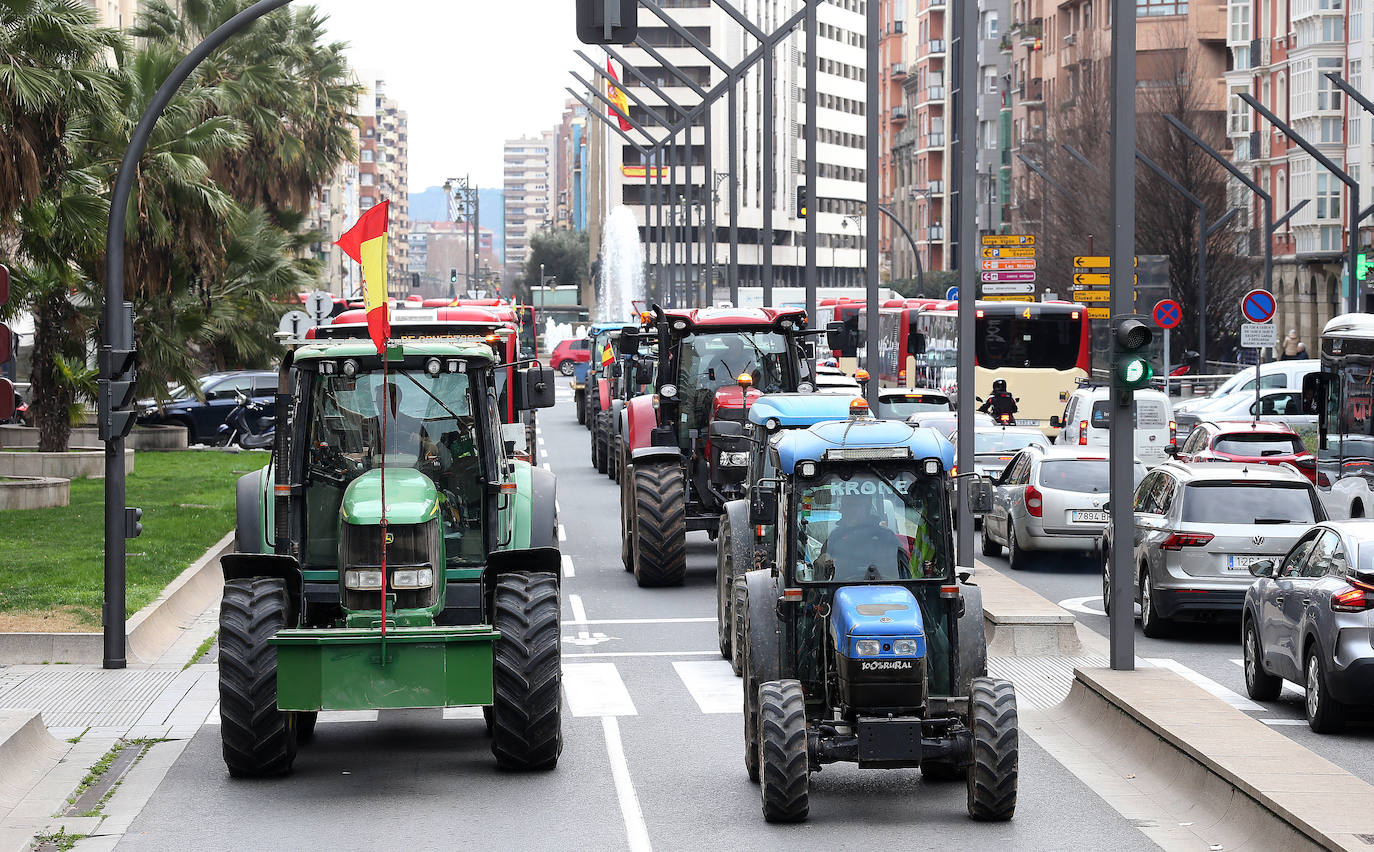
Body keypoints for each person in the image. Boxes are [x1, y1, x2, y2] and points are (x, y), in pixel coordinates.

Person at [818, 493, 901, 580]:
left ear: (866, 509)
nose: (841, 510)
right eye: (842, 506)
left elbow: (901, 575)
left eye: (849, 506)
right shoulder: (836, 536)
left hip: (881, 589)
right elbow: (821, 572)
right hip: (840, 588)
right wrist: (822, 562)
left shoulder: (886, 537)